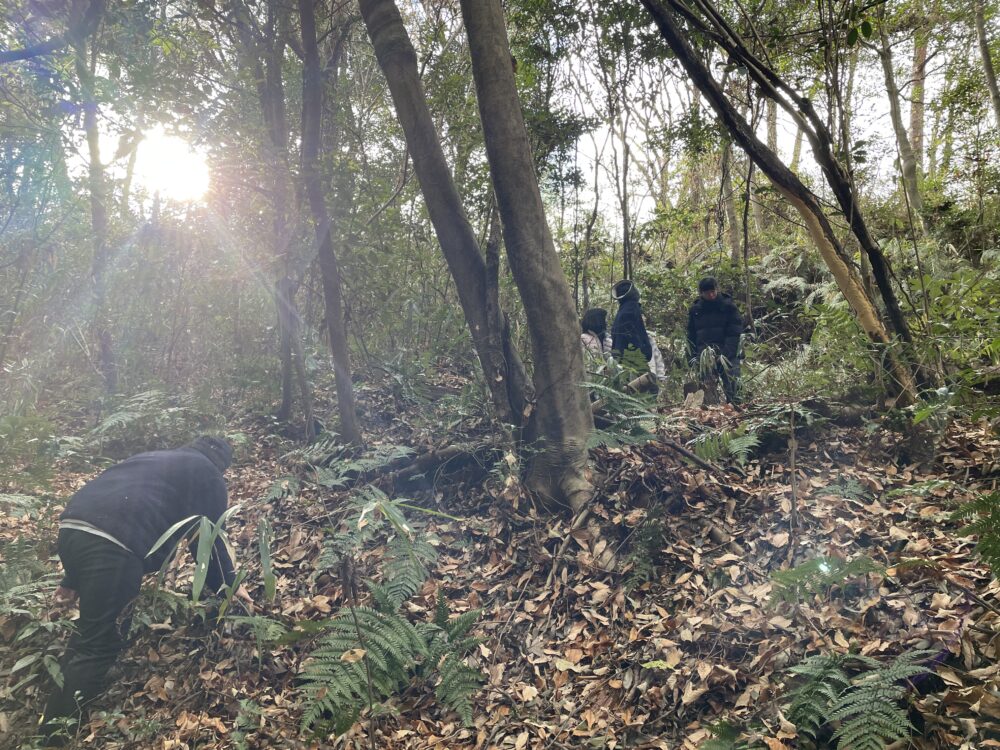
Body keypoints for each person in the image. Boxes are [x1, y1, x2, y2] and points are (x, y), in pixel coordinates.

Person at [40, 436, 251, 743]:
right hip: (114, 544)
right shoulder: (209, 474)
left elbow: (110, 502)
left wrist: (71, 579)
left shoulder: (153, 457)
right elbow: (208, 539)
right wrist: (230, 586)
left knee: (90, 632)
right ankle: (50, 738)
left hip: (71, 528)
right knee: (98, 646)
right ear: (222, 464)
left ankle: (56, 705)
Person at [687, 276, 744, 403]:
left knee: (734, 389)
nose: (711, 295)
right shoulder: (696, 310)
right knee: (708, 393)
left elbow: (735, 333)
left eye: (713, 291)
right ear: (701, 293)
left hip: (728, 354)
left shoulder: (728, 306)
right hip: (705, 356)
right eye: (708, 293)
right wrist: (692, 356)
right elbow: (691, 335)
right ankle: (712, 418)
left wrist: (726, 354)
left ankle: (737, 415)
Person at [610, 280, 652, 364]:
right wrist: (642, 352)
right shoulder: (631, 308)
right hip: (631, 361)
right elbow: (632, 335)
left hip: (621, 358)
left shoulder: (622, 310)